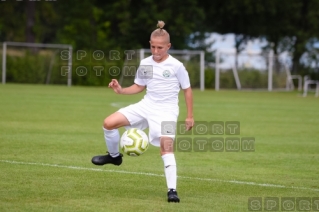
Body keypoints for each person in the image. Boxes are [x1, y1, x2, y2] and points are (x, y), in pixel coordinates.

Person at [91, 20, 194, 203]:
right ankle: (114, 157)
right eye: (153, 47)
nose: (156, 51)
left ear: (168, 46)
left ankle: (172, 190)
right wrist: (121, 90)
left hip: (167, 112)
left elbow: (187, 90)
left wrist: (189, 116)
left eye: (160, 48)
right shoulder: (146, 63)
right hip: (146, 105)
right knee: (108, 123)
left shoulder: (176, 66)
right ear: (150, 44)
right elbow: (139, 86)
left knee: (166, 148)